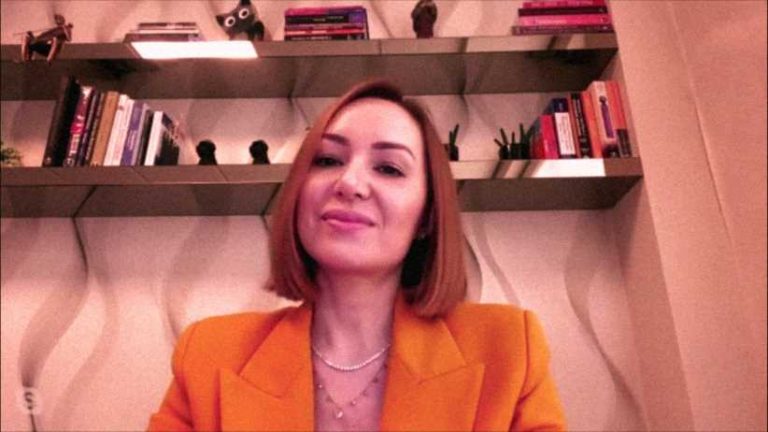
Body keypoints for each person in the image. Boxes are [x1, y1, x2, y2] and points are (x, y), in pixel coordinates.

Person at [148, 79, 566, 431]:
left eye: (389, 168)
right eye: (328, 159)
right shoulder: (207, 354)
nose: (349, 183)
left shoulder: (510, 350)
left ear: (426, 215)